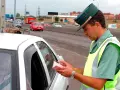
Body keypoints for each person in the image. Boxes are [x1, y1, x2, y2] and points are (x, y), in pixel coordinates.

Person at [53, 3, 120, 90]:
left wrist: (73, 74)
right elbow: (91, 72)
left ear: (97, 24)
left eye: (86, 29)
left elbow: (98, 84)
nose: (85, 33)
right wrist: (72, 69)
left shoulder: (110, 47)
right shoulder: (95, 43)